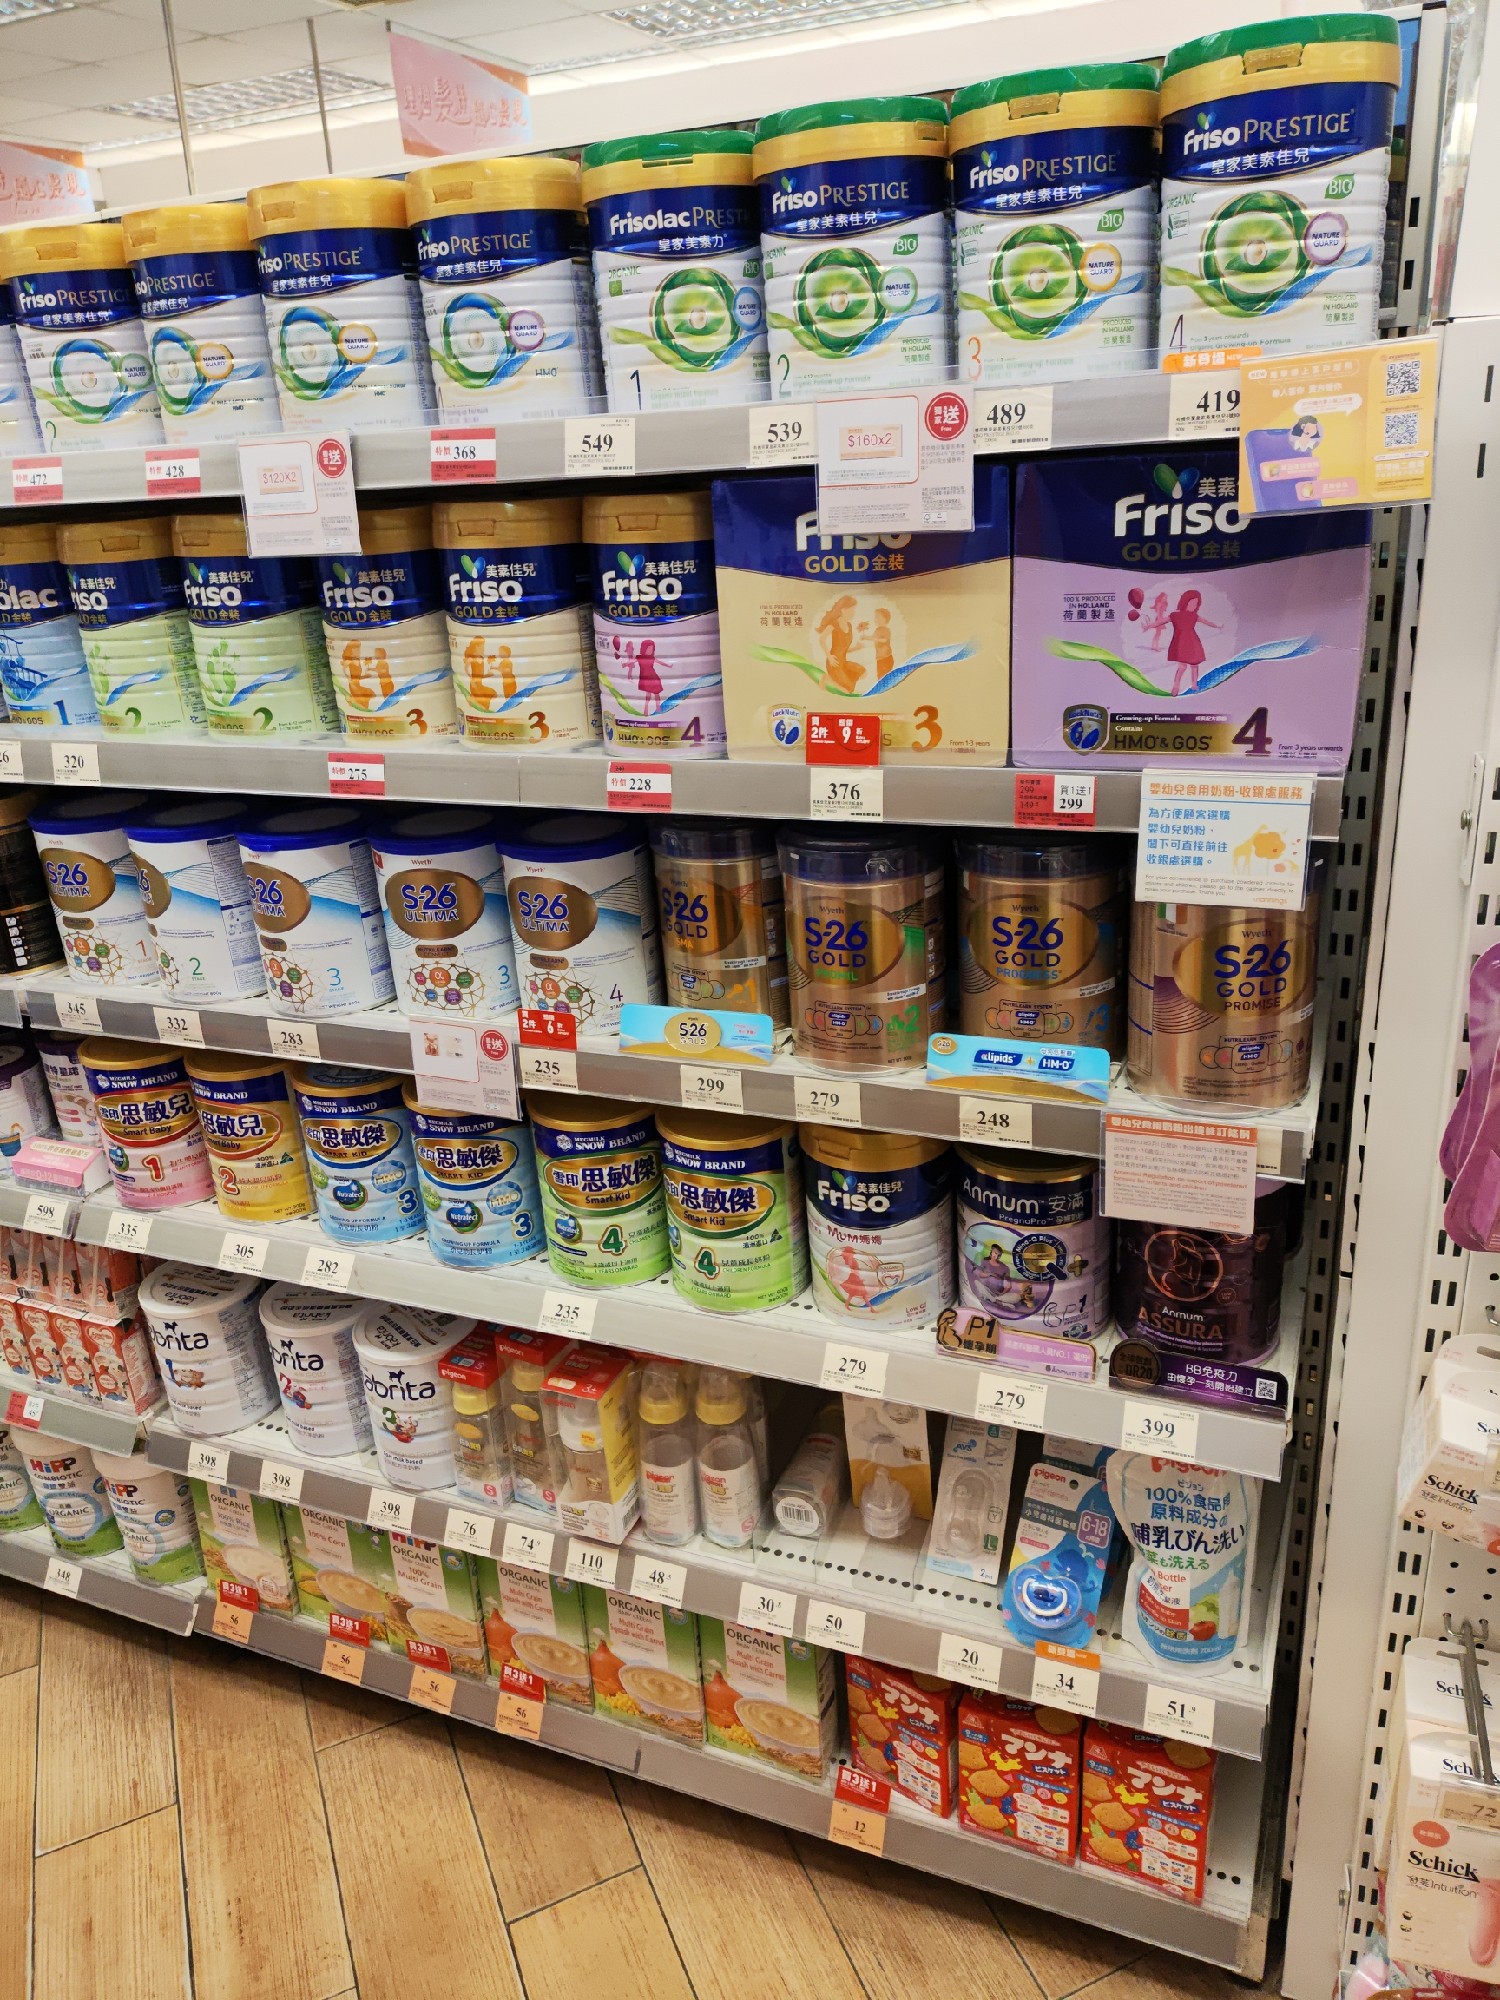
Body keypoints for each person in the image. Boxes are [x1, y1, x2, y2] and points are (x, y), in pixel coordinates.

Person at [1167, 589, 1222, 695]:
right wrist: (1148, 626)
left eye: (1196, 604)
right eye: (1191, 603)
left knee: (1194, 666)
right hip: (1181, 643)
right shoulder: (1175, 615)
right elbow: (1162, 621)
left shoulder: (1194, 616)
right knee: (1182, 667)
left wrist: (1217, 626)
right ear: (1185, 602)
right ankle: (1176, 686)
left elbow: (1207, 622)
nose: (1193, 606)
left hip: (1193, 642)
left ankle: (1194, 684)